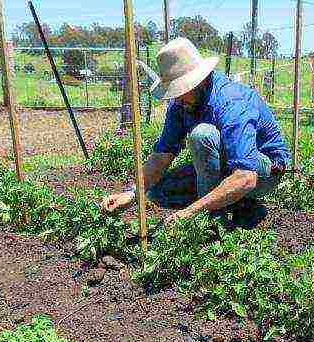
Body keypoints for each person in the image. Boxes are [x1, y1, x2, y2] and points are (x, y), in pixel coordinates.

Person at [101, 37, 291, 224]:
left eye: (181, 90)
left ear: (199, 81)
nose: (177, 98)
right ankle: (228, 200)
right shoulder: (181, 104)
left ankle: (214, 219)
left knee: (202, 134)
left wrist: (191, 212)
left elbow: (246, 177)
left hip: (262, 172)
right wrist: (132, 193)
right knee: (157, 192)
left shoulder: (231, 102)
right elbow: (161, 157)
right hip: (229, 165)